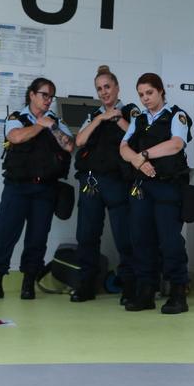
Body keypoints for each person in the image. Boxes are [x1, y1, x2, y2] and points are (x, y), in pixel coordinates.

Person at [0, 77, 73, 301]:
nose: (48, 100)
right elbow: (15, 137)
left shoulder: (55, 121)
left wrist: (52, 126)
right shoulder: (16, 118)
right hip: (17, 188)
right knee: (4, 234)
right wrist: (40, 125)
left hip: (45, 190)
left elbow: (69, 145)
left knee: (37, 238)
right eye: (44, 94)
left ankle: (28, 284)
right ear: (32, 95)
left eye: (51, 96)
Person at [119, 72, 193, 314]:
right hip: (142, 187)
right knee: (141, 240)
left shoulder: (176, 115)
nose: (145, 98)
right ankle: (146, 291)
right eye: (141, 94)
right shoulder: (139, 120)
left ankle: (178, 292)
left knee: (170, 241)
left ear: (161, 91)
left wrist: (144, 155)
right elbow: (123, 148)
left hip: (168, 186)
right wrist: (138, 162)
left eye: (149, 93)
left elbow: (176, 144)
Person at [69, 65, 139, 303]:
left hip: (117, 182)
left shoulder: (130, 111)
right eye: (99, 89)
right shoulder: (94, 115)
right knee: (86, 235)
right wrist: (100, 118)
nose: (104, 92)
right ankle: (86, 285)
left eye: (107, 87)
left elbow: (137, 139)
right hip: (92, 182)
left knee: (124, 236)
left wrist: (116, 118)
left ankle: (130, 286)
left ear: (117, 87)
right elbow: (80, 140)